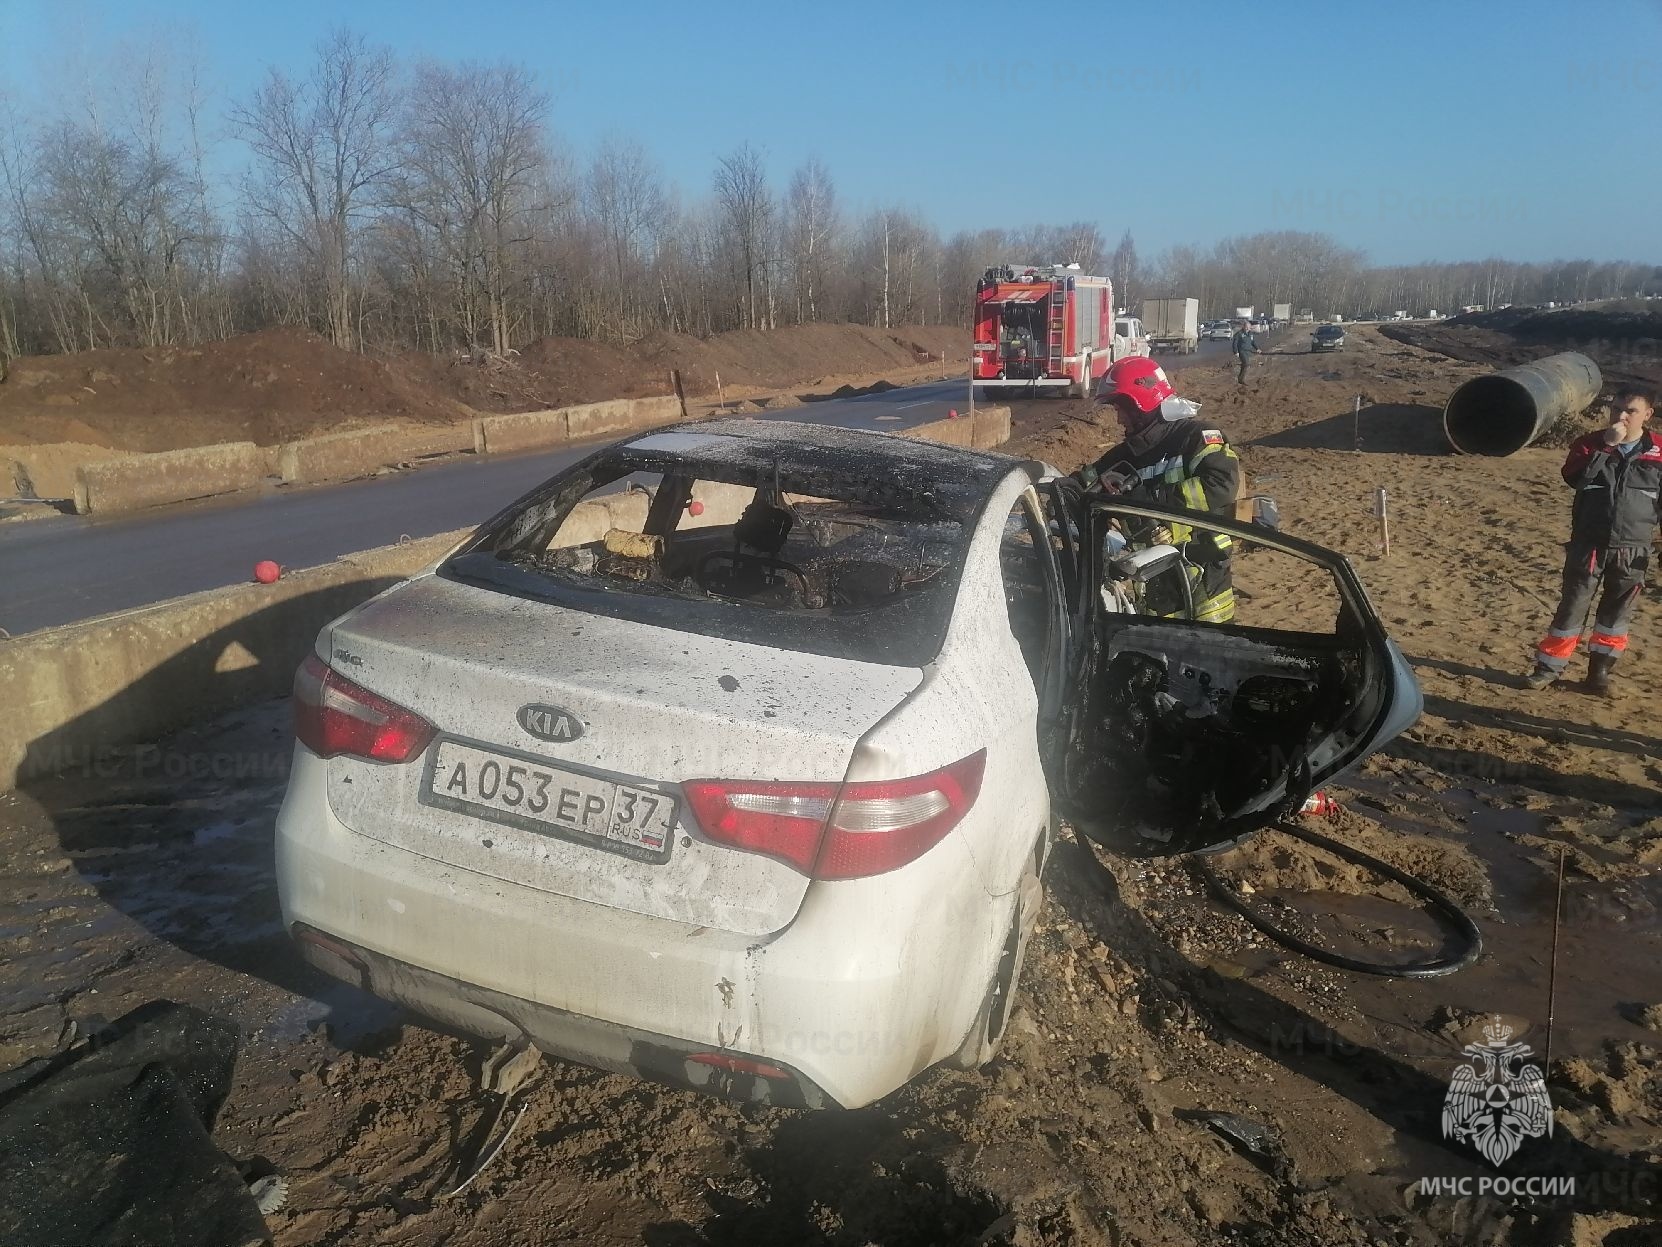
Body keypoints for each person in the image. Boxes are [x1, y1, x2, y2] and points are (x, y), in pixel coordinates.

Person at [1073, 355, 1241, 623]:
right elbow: (1086, 479)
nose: (1119, 420)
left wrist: (1150, 501)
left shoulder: (1196, 437)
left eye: (1121, 409)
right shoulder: (1130, 453)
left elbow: (1221, 484)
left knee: (1209, 656)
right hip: (1154, 578)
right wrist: (1063, 488)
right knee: (1158, 652)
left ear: (1140, 404)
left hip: (1203, 577)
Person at [1525, 387, 1662, 696]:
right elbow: (1576, 480)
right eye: (1616, 409)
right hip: (1589, 545)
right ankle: (1548, 669)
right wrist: (1607, 447)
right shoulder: (1588, 444)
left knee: (1615, 615)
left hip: (1633, 548)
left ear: (1648, 415)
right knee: (1572, 608)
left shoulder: (1659, 451)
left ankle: (1599, 674)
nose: (1621, 416)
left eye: (1630, 410)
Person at [1230, 320, 1259, 385]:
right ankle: (1241, 380)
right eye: (1246, 327)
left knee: (1245, 365)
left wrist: (1257, 348)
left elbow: (1253, 342)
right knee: (1246, 363)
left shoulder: (1250, 333)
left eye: (1249, 327)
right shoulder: (1239, 333)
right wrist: (1236, 352)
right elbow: (1235, 343)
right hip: (1241, 351)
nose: (1247, 328)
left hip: (1248, 351)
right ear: (1244, 327)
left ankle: (1240, 378)